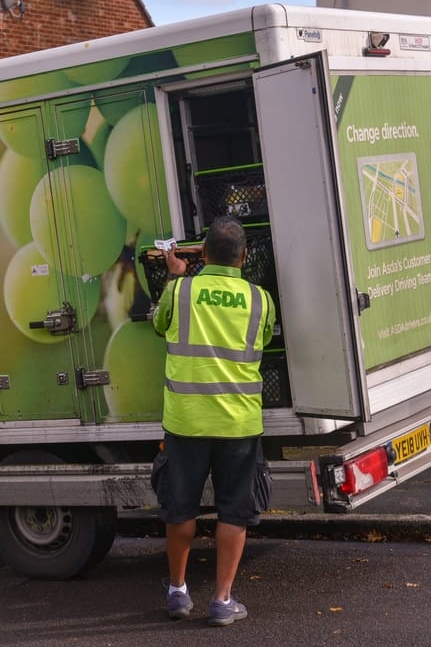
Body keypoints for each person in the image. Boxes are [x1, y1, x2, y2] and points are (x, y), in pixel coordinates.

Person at [151, 215, 275, 627]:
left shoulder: (182, 289)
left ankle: (178, 591)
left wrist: (175, 277)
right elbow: (265, 339)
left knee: (180, 507)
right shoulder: (260, 299)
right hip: (238, 423)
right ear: (244, 257)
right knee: (234, 512)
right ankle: (222, 600)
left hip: (186, 421)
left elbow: (158, 325)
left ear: (201, 254)